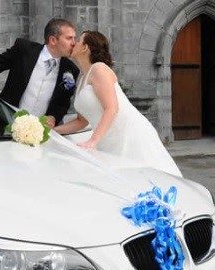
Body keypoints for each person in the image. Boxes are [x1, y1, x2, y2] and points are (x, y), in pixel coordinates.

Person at [53, 31, 182, 177]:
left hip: (126, 134)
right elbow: (81, 121)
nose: (73, 43)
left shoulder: (99, 69)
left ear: (85, 48)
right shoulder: (82, 77)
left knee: (144, 177)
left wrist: (93, 140)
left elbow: (112, 107)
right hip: (106, 139)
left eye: (78, 40)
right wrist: (53, 131)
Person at [0, 18, 80, 129]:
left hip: (39, 133)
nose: (74, 43)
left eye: (74, 38)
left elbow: (63, 103)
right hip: (2, 124)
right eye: (69, 38)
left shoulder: (70, 69)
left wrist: (54, 117)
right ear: (53, 40)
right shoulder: (24, 50)